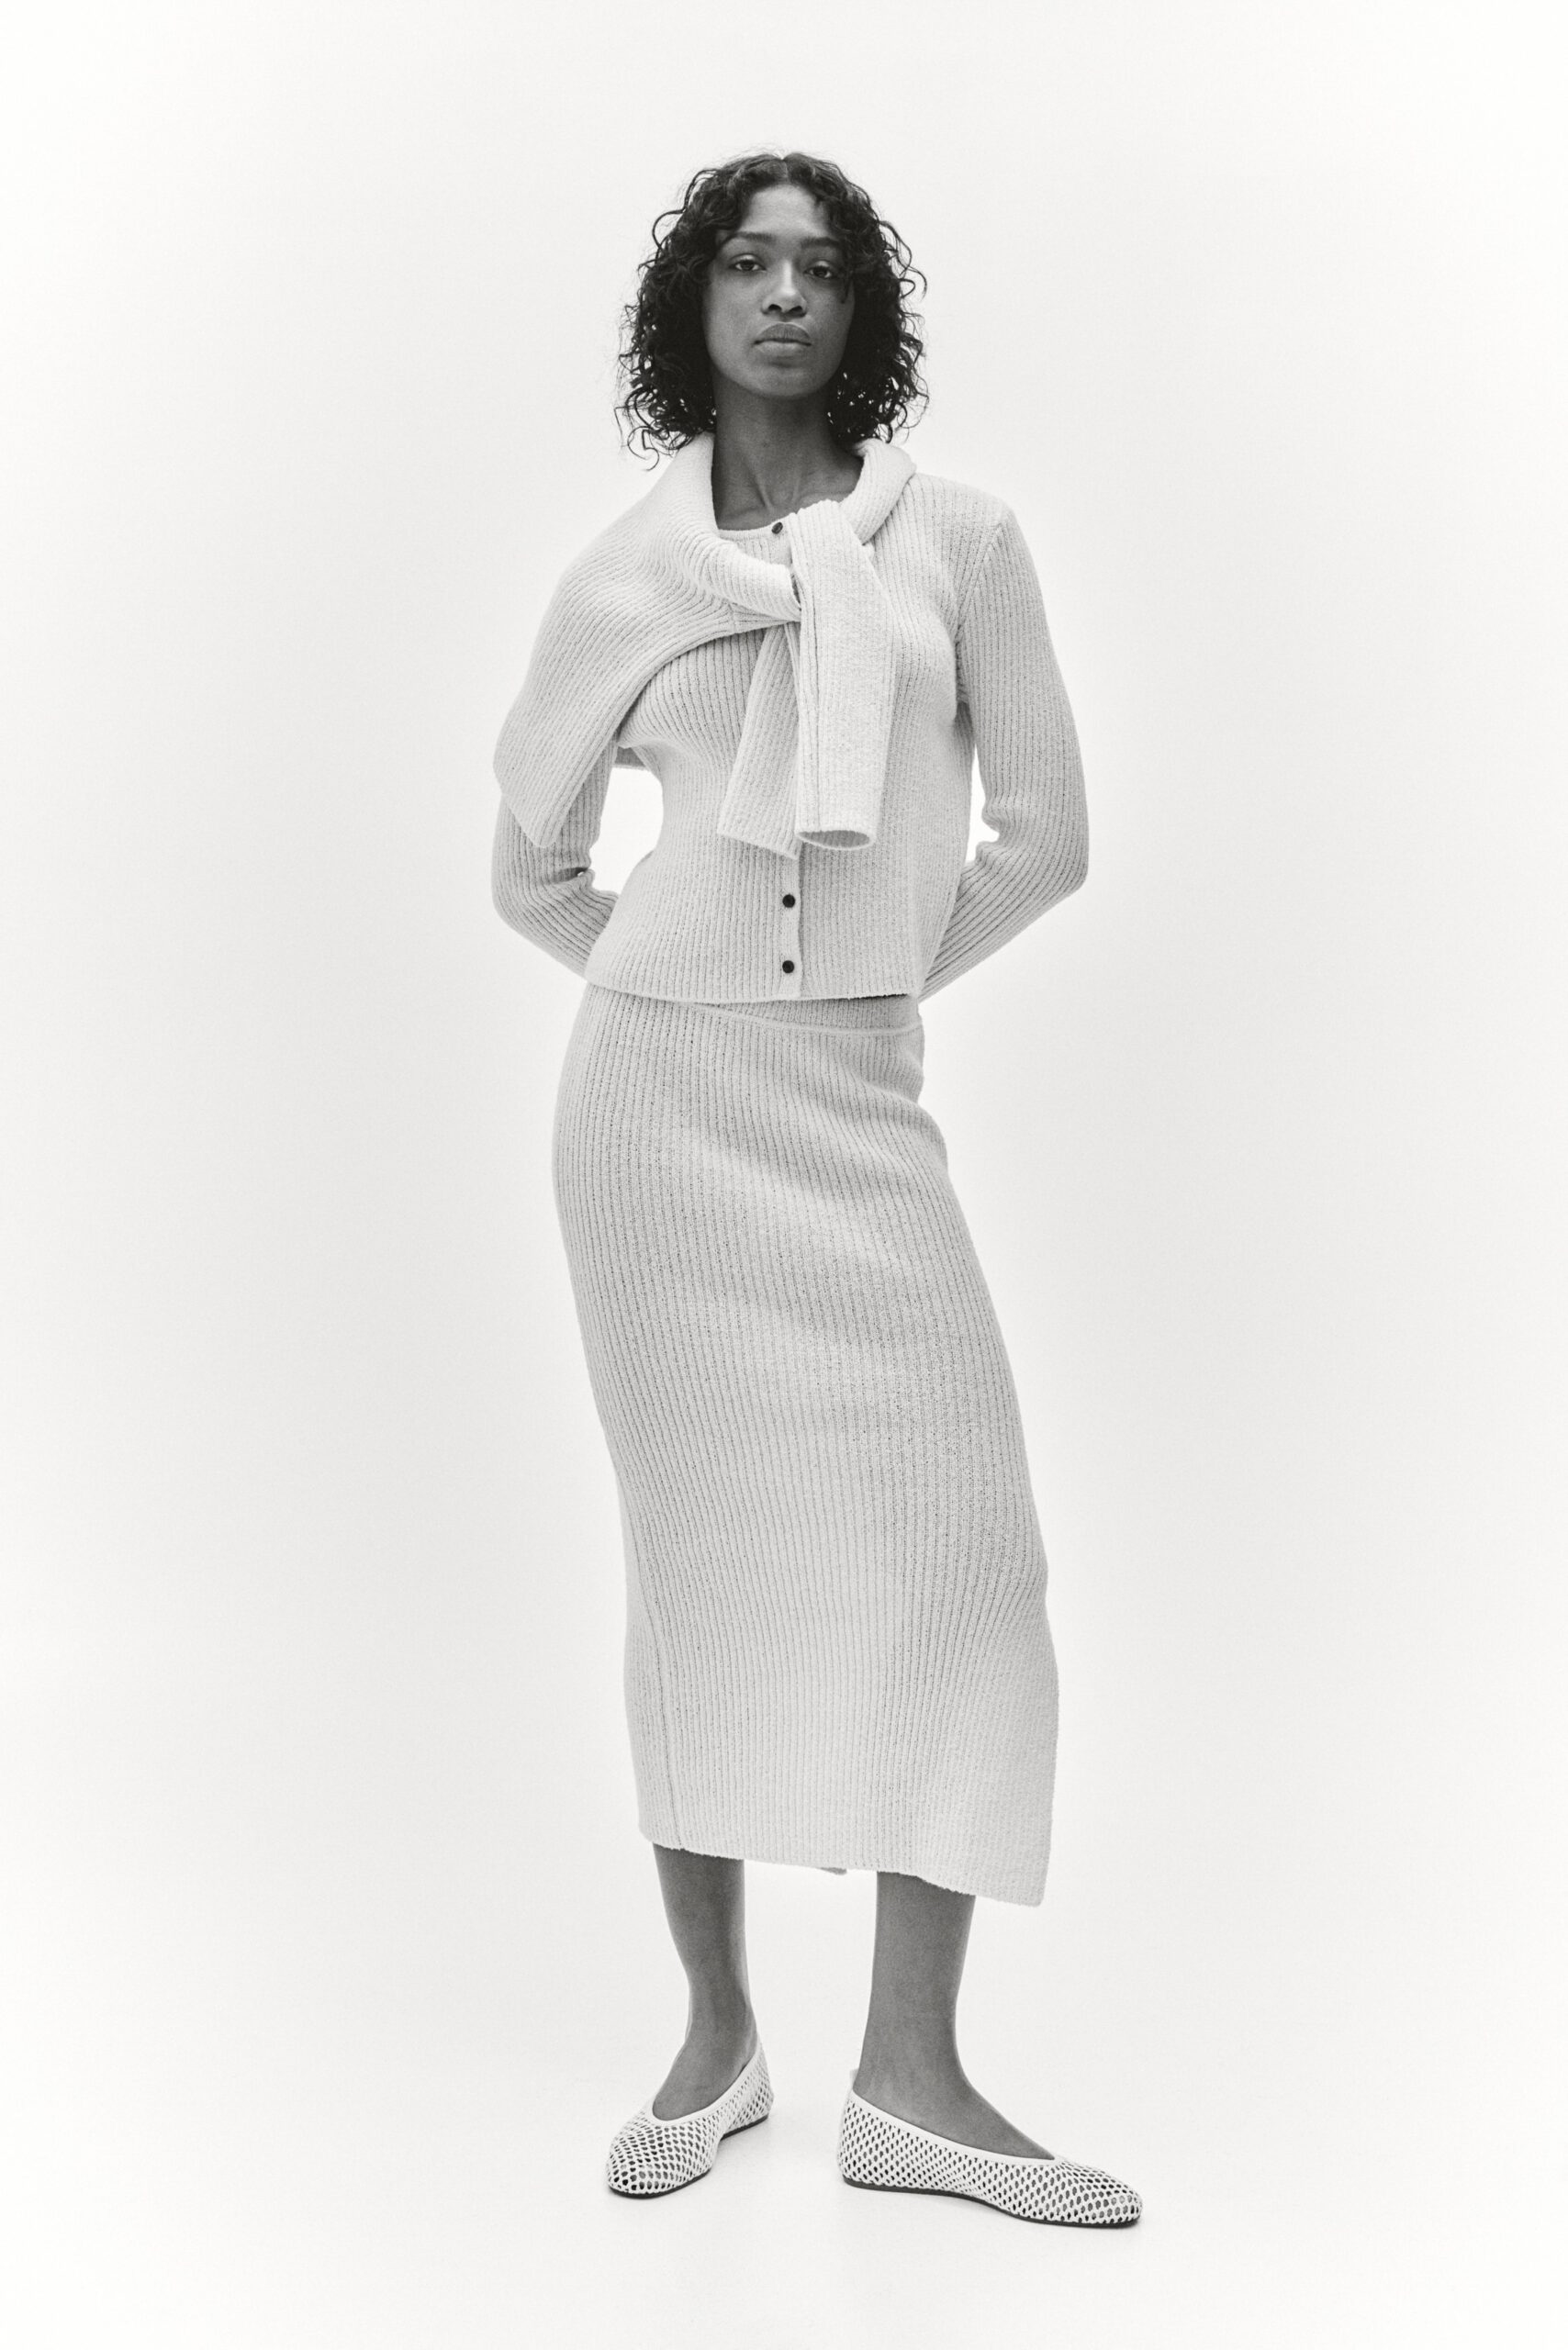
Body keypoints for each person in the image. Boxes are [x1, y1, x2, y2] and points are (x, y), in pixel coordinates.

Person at [490, 149, 1140, 2228]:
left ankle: (910, 2075)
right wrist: (681, 978)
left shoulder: (960, 543)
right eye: (748, 262)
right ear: (691, 303)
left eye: (823, 266)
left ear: (864, 310)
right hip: (653, 1119)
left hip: (856, 1101)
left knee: (967, 1567)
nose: (785, 293)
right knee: (698, 1574)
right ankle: (718, 2035)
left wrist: (870, 981)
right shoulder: (624, 576)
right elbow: (529, 863)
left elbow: (1044, 834)